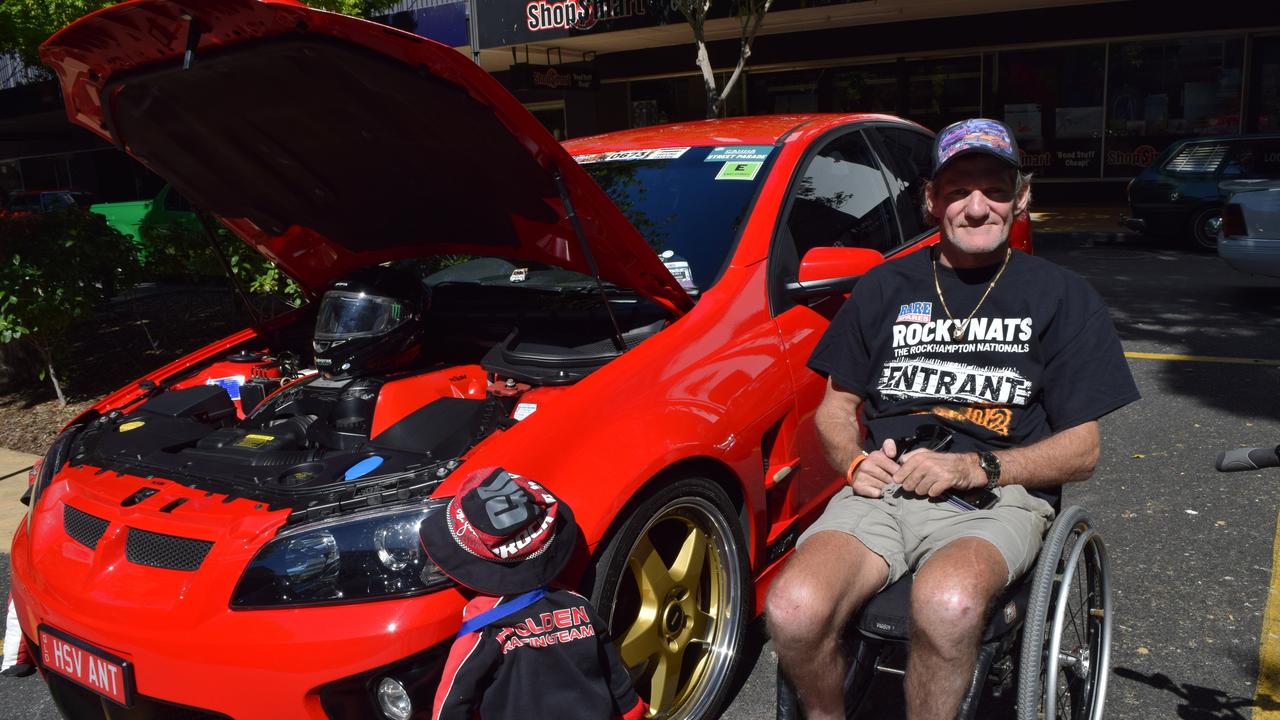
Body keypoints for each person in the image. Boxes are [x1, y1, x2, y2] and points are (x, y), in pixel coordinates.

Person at [766, 118, 1139, 720]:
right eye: (958, 190)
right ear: (931, 200)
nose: (976, 207)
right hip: (883, 491)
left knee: (948, 604)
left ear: (1021, 197)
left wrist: (974, 466)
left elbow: (1083, 450)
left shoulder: (1061, 295)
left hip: (998, 495)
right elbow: (835, 408)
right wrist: (852, 461)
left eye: (994, 189)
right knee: (792, 609)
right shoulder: (885, 286)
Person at [419, 466, 646, 720]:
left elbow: (453, 699)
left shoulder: (484, 622)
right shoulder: (578, 606)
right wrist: (632, 709)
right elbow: (621, 686)